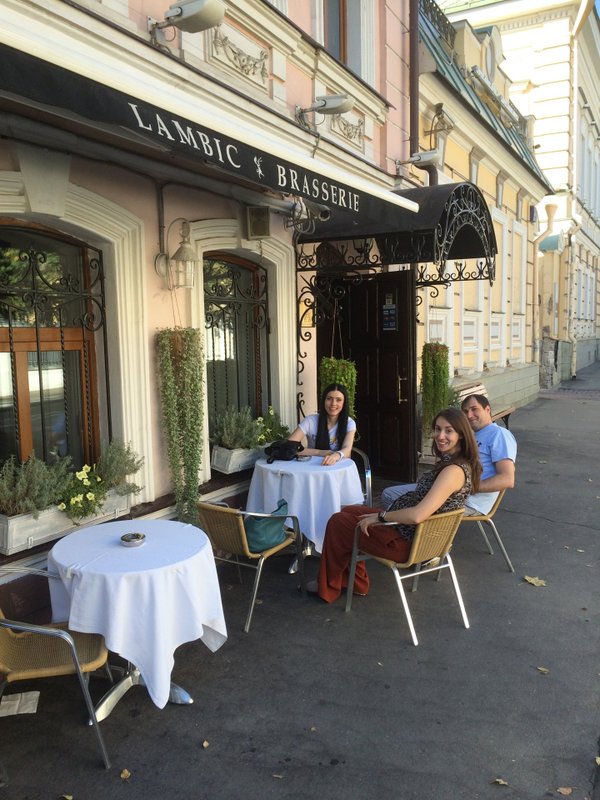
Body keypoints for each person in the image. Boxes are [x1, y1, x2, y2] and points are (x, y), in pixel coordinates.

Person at [308, 407, 481, 602]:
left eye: (448, 431)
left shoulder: (453, 471)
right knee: (348, 510)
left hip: (406, 542)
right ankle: (354, 582)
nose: (440, 436)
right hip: (407, 531)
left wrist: (380, 517)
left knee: (339, 522)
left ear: (461, 434)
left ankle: (328, 586)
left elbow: (417, 515)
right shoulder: (453, 463)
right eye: (438, 429)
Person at [380, 394, 517, 516]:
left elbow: (507, 479)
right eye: (465, 411)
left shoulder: (499, 434)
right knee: (393, 495)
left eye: (474, 409)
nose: (469, 415)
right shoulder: (471, 434)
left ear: (487, 409)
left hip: (470, 501)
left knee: (395, 498)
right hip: (450, 487)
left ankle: (415, 534)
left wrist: (464, 487)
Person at [288, 383, 356, 466]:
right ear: (324, 401)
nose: (333, 403)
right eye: (329, 399)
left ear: (344, 403)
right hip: (313, 466)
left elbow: (347, 449)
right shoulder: (310, 421)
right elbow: (290, 446)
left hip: (339, 467)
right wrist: (320, 452)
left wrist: (336, 456)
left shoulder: (349, 423)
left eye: (338, 400)